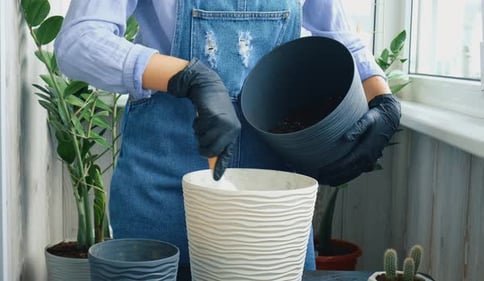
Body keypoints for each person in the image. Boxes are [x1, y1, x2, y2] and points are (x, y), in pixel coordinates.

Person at [54, 0, 401, 276]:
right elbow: (78, 41)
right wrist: (186, 76)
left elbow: (339, 35)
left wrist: (381, 98)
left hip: (271, 197)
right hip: (161, 182)